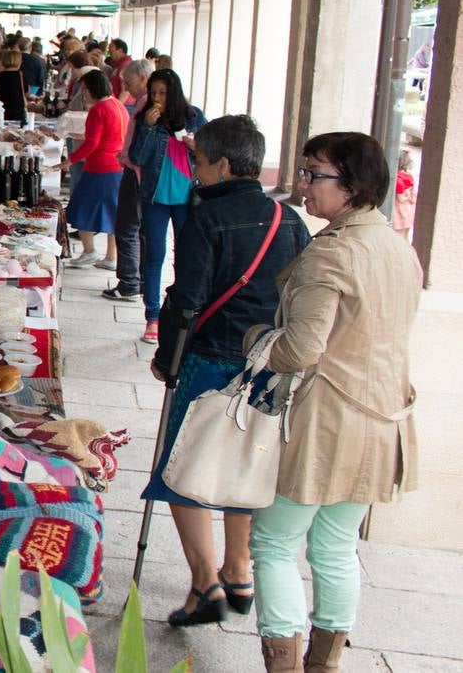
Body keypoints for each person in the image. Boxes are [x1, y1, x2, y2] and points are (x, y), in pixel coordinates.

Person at [245, 132, 421, 672]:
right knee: (336, 546)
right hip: (381, 418)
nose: (303, 184)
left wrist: (254, 340)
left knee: (273, 544)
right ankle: (323, 665)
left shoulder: (332, 254)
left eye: (314, 174)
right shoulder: (397, 247)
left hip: (325, 421)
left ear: (350, 186)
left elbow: (300, 349)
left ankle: (284, 664)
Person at [140, 115, 310, 630]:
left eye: (200, 161)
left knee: (181, 468)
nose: (195, 170)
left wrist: (167, 357)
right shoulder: (291, 220)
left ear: (224, 164)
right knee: (242, 465)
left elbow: (187, 300)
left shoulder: (207, 220)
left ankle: (204, 583)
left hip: (211, 358)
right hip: (265, 366)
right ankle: (238, 572)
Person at [130, 68, 207, 343]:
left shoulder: (194, 117)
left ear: (174, 92)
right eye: (153, 93)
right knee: (155, 255)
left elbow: (209, 157)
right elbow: (136, 156)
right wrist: (149, 129)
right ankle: (153, 316)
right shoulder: (145, 119)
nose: (158, 98)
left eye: (163, 93)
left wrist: (195, 145)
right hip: (155, 197)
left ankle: (182, 313)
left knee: (186, 255)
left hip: (188, 197)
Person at [57, 69, 127, 268]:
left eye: (85, 89)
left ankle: (89, 251)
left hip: (99, 167)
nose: (84, 94)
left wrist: (69, 161)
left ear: (94, 88)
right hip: (117, 167)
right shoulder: (118, 105)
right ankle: (111, 256)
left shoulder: (98, 109)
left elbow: (91, 144)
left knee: (81, 208)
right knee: (114, 211)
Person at [103, 60, 152, 301]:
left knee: (126, 226)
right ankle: (140, 280)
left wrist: (126, 156)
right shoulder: (146, 102)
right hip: (141, 173)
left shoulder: (146, 103)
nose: (126, 87)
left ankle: (129, 282)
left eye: (129, 82)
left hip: (136, 172)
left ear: (143, 77)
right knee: (139, 228)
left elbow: (140, 144)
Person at [0, 48, 28, 124]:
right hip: (17, 111)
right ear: (18, 62)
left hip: (1, 111)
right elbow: (26, 92)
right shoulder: (21, 75)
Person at [393, 149, 416, 238]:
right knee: (406, 237)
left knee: (399, 237)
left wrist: (406, 194)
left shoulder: (398, 178)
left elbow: (401, 198)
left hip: (400, 214)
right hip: (409, 212)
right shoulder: (409, 176)